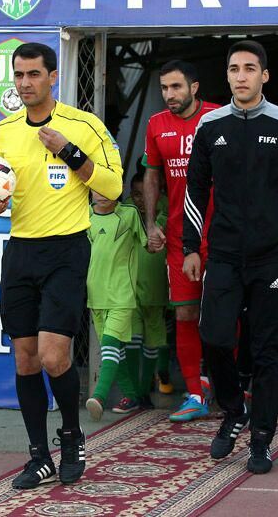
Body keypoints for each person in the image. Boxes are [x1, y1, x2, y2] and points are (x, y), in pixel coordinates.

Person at [0, 42, 122, 489]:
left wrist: (71, 153)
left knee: (54, 356)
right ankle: (38, 456)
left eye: (33, 75)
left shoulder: (84, 125)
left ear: (53, 77)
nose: (24, 83)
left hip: (66, 250)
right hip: (20, 251)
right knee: (25, 360)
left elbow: (112, 188)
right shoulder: (3, 133)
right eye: (18, 76)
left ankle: (72, 436)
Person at [183, 40, 278, 475]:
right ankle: (232, 411)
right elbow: (195, 192)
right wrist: (190, 247)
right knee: (216, 337)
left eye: (250, 68)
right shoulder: (210, 126)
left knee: (265, 351)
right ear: (226, 76)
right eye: (234, 69)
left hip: (271, 258)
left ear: (265, 76)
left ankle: (261, 440)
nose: (241, 76)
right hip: (222, 254)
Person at [142, 59, 220, 422]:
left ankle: (230, 385)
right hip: (178, 236)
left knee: (224, 313)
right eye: (164, 88)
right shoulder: (157, 125)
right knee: (187, 312)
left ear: (194, 87)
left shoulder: (220, 117)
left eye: (176, 87)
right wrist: (150, 223)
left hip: (222, 234)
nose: (169, 95)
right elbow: (152, 177)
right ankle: (195, 392)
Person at [84, 190, 146, 419]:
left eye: (106, 187)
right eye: (96, 188)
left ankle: (98, 396)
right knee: (115, 350)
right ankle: (131, 396)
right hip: (95, 296)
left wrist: (157, 239)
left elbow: (148, 242)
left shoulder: (129, 214)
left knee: (109, 344)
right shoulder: (83, 215)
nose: (101, 194)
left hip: (122, 294)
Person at [129, 172, 169, 407]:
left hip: (156, 288)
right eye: (136, 194)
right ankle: (135, 392)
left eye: (145, 194)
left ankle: (146, 389)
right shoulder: (126, 211)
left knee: (153, 341)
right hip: (130, 288)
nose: (141, 200)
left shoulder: (164, 209)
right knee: (133, 340)